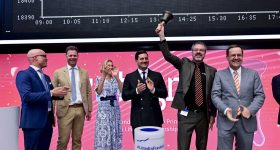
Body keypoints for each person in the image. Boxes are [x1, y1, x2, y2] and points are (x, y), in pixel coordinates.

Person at [155, 24, 217, 150]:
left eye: (201, 50)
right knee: (183, 147)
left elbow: (213, 94)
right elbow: (167, 56)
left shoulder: (212, 71)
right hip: (185, 114)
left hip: (203, 116)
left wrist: (212, 115)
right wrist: (161, 36)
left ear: (205, 53)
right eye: (196, 50)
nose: (198, 52)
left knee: (202, 147)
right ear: (192, 52)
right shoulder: (184, 64)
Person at [211, 44, 265, 150]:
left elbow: (260, 95)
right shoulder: (219, 75)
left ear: (243, 56)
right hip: (226, 121)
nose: (236, 57)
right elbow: (215, 96)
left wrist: (250, 110)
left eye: (239, 55)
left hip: (247, 122)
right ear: (227, 57)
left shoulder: (253, 74)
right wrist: (226, 110)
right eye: (233, 55)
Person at [16, 49, 68, 150]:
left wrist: (61, 92)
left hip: (47, 122)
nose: (46, 58)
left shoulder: (46, 77)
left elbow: (51, 95)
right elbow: (26, 97)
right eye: (44, 56)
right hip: (33, 123)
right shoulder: (24, 74)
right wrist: (52, 93)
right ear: (35, 58)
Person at [53, 46, 92, 150]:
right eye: (70, 55)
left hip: (80, 110)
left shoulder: (84, 72)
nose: (72, 57)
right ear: (66, 56)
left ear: (78, 56)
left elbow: (88, 91)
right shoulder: (58, 72)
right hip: (65, 110)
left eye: (74, 55)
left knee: (77, 140)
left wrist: (89, 110)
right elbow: (53, 94)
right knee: (63, 140)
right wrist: (51, 113)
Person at [122, 50, 168, 138]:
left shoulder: (157, 75)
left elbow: (164, 94)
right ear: (136, 61)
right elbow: (124, 96)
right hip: (138, 119)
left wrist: (153, 90)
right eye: (141, 59)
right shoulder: (130, 76)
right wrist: (136, 91)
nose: (144, 60)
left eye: (146, 58)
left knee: (156, 146)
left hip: (154, 118)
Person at [94, 59, 122, 149]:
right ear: (104, 67)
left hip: (114, 108)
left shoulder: (115, 79)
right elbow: (98, 92)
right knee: (104, 132)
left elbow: (122, 91)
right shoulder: (99, 78)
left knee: (115, 130)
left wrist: (117, 77)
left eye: (111, 65)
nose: (110, 67)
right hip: (103, 109)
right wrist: (104, 75)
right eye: (108, 65)